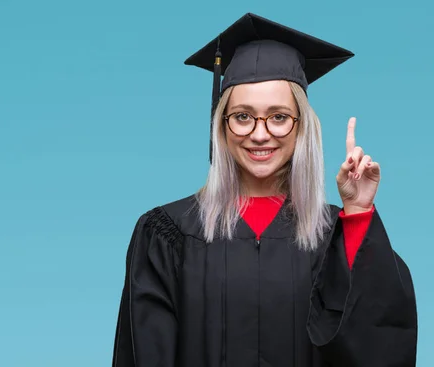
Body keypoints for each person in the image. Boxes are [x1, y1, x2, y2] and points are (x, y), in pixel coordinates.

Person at [111, 13, 418, 367]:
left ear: (302, 127)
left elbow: (380, 338)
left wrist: (358, 213)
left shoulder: (334, 234)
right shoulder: (168, 234)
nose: (260, 134)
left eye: (278, 116)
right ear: (221, 125)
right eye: (242, 116)